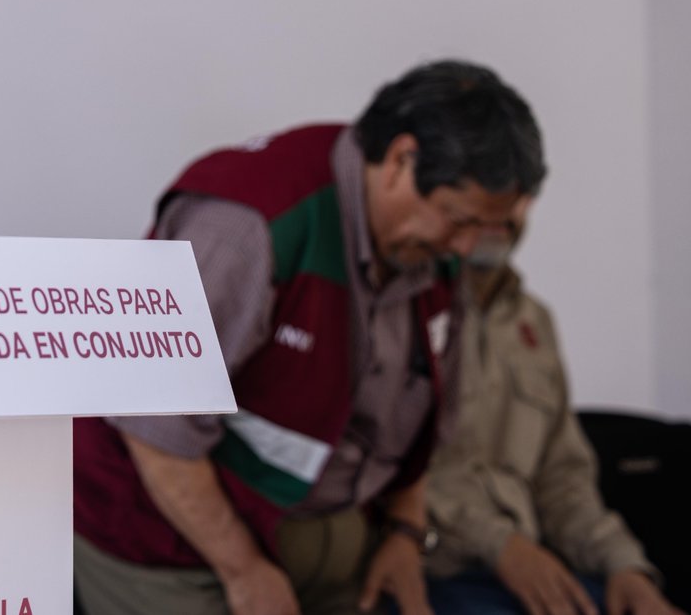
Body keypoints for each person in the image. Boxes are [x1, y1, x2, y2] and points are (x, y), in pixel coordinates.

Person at [75, 61, 546, 615]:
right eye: (457, 219)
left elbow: (418, 418)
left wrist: (404, 532)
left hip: (318, 541)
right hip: (170, 542)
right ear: (400, 160)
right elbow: (156, 426)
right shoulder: (247, 227)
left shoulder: (432, 247)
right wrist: (243, 570)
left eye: (483, 231)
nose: (466, 249)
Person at [424, 208, 681, 615]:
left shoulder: (535, 321)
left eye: (521, 189)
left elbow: (563, 481)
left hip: (532, 573)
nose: (504, 204)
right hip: (438, 570)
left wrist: (625, 567)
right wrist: (501, 546)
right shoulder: (404, 308)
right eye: (490, 179)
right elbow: (382, 477)